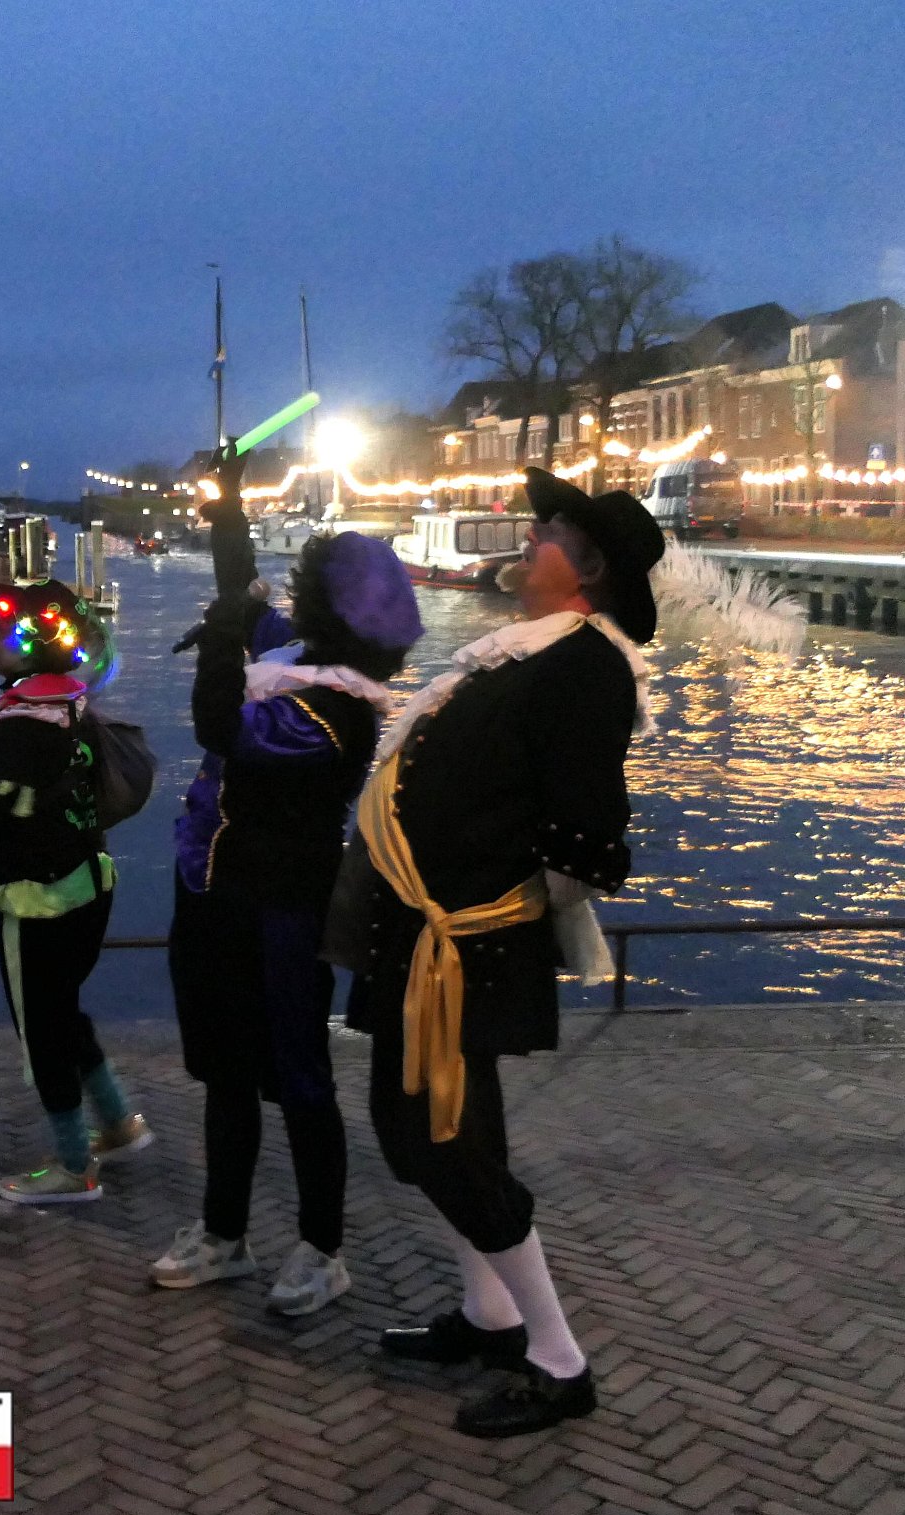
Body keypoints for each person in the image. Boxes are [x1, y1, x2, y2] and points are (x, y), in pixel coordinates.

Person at [341, 465, 662, 1438]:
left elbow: (590, 835)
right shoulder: (525, 653)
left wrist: (490, 907)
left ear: (588, 569)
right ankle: (491, 1316)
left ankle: (559, 1361)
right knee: (424, 1135)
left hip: (463, 944)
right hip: (422, 936)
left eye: (550, 532)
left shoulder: (586, 665)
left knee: (446, 1144)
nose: (531, 538)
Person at [149, 448, 424, 1315]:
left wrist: (220, 635)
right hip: (213, 891)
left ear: (335, 614)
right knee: (226, 1070)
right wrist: (228, 512)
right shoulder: (301, 656)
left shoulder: (334, 712)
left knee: (300, 1076)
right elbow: (246, 592)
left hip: (284, 909)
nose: (292, 600)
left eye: (307, 591)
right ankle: (224, 1233)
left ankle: (322, 1247)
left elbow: (219, 725)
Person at [0, 578, 150, 1204]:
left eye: (0, 627)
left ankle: (72, 1167)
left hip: (38, 899)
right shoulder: (71, 707)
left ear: (29, 646)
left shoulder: (14, 726)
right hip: (90, 884)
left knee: (41, 1028)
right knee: (63, 1008)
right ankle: (117, 1124)